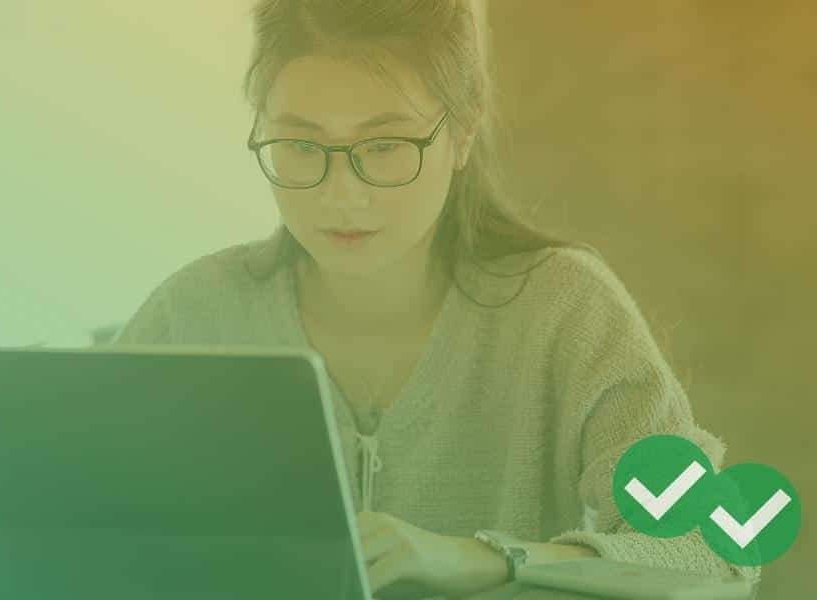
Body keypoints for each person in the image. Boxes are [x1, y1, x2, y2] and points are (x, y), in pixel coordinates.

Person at [113, 1, 754, 596]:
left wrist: (486, 558)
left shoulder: (563, 310)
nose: (342, 193)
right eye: (303, 145)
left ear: (464, 133)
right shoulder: (195, 312)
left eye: (386, 145)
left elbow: (717, 544)